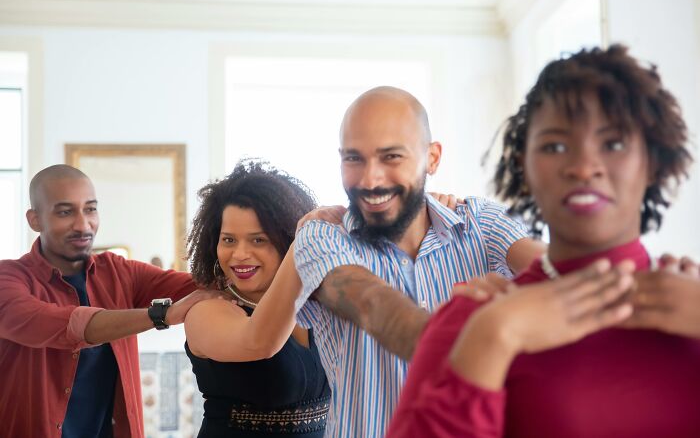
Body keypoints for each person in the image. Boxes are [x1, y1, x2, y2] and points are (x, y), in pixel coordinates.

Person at [387, 45, 700, 437]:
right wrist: (494, 337)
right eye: (555, 146)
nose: (584, 167)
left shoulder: (693, 307)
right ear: (524, 165)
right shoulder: (474, 321)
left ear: (652, 161)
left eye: (614, 143)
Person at [292, 86, 545, 437]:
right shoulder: (321, 235)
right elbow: (371, 306)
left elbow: (555, 272)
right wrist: (488, 340)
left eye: (391, 157)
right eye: (354, 159)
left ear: (432, 158)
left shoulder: (482, 223)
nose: (370, 179)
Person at [0, 164, 224, 437]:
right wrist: (160, 315)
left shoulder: (119, 272)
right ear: (34, 220)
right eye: (64, 212)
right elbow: (58, 324)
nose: (83, 225)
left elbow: (201, 284)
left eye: (90, 209)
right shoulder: (8, 279)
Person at [184, 161, 331, 437]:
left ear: (284, 240)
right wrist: (307, 242)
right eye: (228, 240)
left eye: (258, 240)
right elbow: (260, 342)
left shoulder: (319, 304)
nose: (239, 254)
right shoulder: (206, 311)